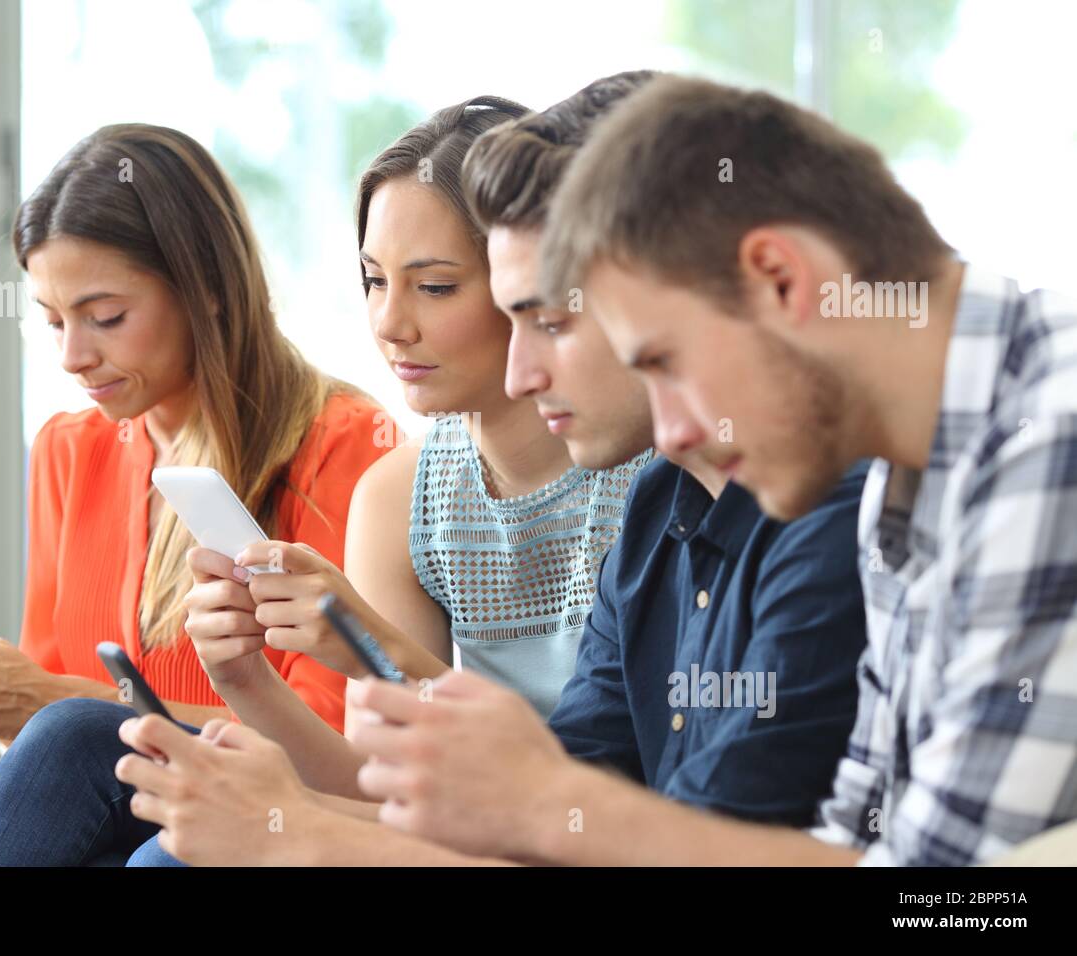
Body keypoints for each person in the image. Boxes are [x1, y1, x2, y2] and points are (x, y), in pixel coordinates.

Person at [107, 73, 873, 866]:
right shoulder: (660, 509)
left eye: (550, 321)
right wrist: (259, 716)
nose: (521, 371)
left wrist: (304, 834)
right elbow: (547, 818)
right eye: (372, 281)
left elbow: (588, 830)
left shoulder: (825, 518)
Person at [348, 75, 1077, 866]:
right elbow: (864, 843)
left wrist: (548, 804)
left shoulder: (1049, 438)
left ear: (780, 278)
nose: (677, 431)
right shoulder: (903, 487)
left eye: (665, 361)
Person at [0, 98, 649, 866]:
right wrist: (246, 679)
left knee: (158, 841)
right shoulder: (400, 490)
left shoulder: (648, 484)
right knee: (84, 748)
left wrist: (371, 651)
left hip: (544, 832)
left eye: (435, 287)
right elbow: (383, 782)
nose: (389, 323)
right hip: (450, 821)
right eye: (373, 280)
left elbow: (579, 798)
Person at [0, 123, 391, 751]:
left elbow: (333, 744)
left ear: (205, 287)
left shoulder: (344, 446)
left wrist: (55, 700)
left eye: (105, 318)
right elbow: (42, 741)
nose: (72, 356)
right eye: (52, 321)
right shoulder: (68, 450)